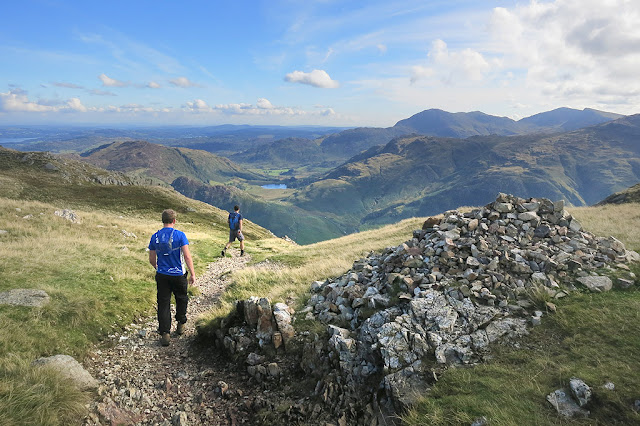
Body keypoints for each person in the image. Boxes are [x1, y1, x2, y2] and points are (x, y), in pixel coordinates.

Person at [148, 209, 196, 346]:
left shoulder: (155, 236)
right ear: (174, 221)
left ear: (163, 220)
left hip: (162, 275)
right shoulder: (180, 235)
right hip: (178, 275)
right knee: (181, 298)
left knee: (163, 303)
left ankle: (165, 333)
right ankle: (181, 324)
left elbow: (152, 259)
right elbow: (187, 256)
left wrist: (158, 268)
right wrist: (192, 273)